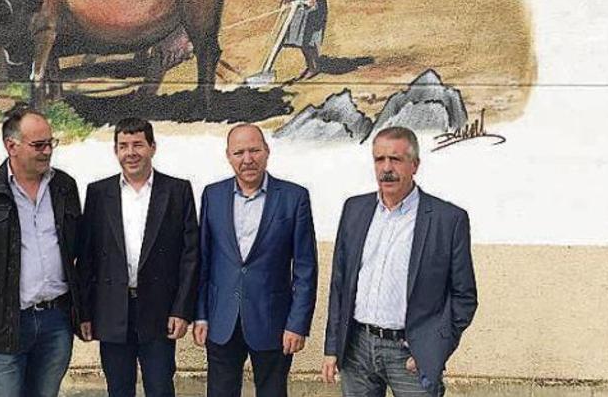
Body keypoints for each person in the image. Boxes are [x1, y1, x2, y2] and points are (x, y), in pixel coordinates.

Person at [322, 126, 478, 396]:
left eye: (396, 159)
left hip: (410, 355)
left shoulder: (447, 220)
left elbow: (464, 297)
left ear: (414, 165)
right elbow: (340, 284)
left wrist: (433, 350)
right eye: (379, 159)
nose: (386, 168)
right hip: (357, 349)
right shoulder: (354, 210)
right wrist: (332, 347)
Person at [0, 106, 84, 397]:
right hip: (4, 323)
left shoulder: (64, 186)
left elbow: (76, 246)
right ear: (11, 145)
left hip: (56, 321)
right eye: (39, 145)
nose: (48, 151)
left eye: (51, 143)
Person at [77, 117, 199, 397]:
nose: (130, 152)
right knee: (118, 389)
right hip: (110, 311)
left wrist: (181, 310)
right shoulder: (98, 193)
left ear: (152, 147)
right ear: (115, 151)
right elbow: (87, 258)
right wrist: (84, 312)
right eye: (123, 146)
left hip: (159, 311)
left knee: (160, 387)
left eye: (137, 145)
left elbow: (190, 256)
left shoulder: (177, 191)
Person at [193, 123, 318, 397]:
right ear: (228, 156)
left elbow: (306, 269)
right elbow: (203, 260)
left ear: (267, 152)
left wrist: (297, 324)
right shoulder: (212, 195)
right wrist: (200, 315)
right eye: (239, 152)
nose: (247, 159)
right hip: (221, 320)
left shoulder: (294, 198)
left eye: (254, 150)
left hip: (273, 321)